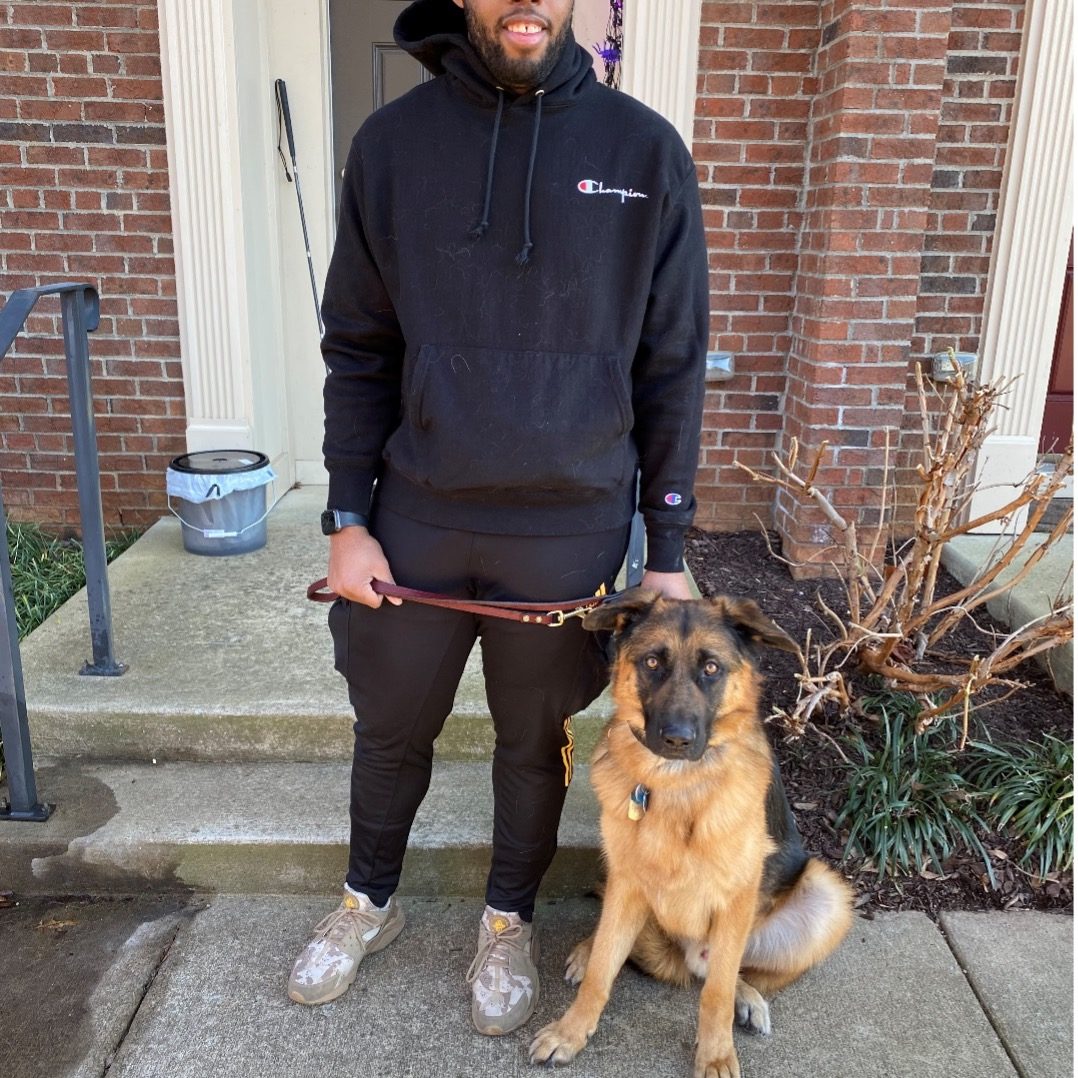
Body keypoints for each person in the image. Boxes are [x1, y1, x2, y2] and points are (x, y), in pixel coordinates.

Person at [287, 0, 708, 1036]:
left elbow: (672, 364)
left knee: (532, 740)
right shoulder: (392, 145)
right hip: (418, 511)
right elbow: (358, 347)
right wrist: (347, 517)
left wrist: (668, 550)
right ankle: (364, 901)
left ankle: (505, 920)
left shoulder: (644, 151)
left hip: (568, 525)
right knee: (391, 730)